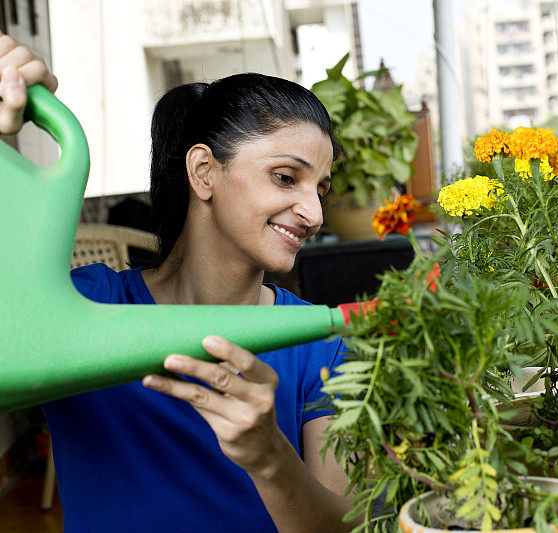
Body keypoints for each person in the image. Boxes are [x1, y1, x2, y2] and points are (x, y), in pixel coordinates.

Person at [0, 33, 354, 532]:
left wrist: (271, 459)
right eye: (284, 177)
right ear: (204, 171)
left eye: (321, 188)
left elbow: (348, 527)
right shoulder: (79, 308)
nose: (314, 212)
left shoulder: (323, 349)